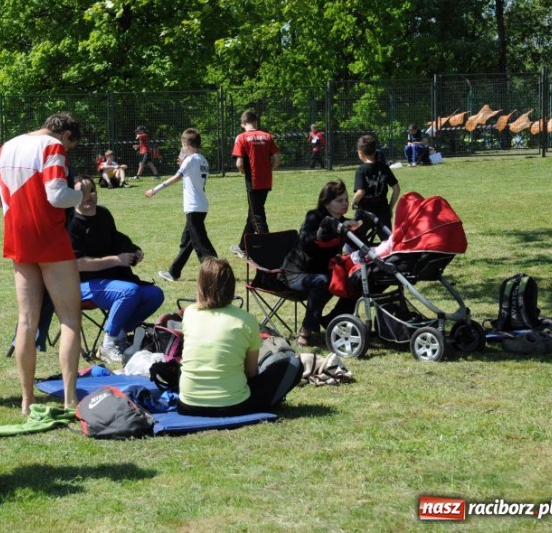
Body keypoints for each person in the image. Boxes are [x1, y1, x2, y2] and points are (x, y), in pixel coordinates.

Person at [0, 112, 93, 414]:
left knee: (26, 322)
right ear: (66, 135)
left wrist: (18, 208)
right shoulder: (53, 147)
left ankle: (27, 400)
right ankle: (70, 399)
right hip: (50, 239)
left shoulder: (8, 146)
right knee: (70, 319)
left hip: (17, 238)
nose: (67, 151)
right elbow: (57, 196)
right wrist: (81, 193)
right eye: (70, 146)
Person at [178, 258, 298, 416]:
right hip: (232, 405)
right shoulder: (246, 320)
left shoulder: (190, 313)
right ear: (231, 285)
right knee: (294, 364)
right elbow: (251, 373)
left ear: (200, 285)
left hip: (187, 404)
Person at [69, 174, 164, 363]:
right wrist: (116, 260)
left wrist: (133, 250)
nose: (87, 197)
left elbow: (116, 239)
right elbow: (78, 264)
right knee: (129, 291)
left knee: (155, 294)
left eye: (91, 191)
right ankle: (108, 344)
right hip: (80, 285)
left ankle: (119, 334)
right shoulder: (71, 222)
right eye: (82, 192)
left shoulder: (103, 214)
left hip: (110, 280)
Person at [281, 180, 360, 347]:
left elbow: (357, 246)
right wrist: (322, 233)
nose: (345, 204)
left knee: (357, 279)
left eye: (346, 199)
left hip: (323, 271)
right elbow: (305, 240)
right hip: (297, 273)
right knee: (323, 281)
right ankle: (306, 330)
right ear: (326, 202)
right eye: (339, 201)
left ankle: (333, 319)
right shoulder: (314, 217)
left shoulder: (345, 222)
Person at [146, 128, 217, 282]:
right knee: (187, 241)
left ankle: (215, 270)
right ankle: (174, 272)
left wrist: (155, 189)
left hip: (194, 206)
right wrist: (184, 163)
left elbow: (177, 177)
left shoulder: (190, 160)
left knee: (201, 243)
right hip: (201, 205)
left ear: (185, 144)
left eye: (182, 145)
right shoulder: (203, 160)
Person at [229, 110, 280, 258]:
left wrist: (243, 171)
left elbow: (239, 163)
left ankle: (269, 248)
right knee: (253, 212)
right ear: (256, 121)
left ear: (243, 123)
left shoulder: (242, 137)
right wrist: (267, 170)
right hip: (266, 180)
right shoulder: (267, 136)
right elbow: (277, 160)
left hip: (253, 181)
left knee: (257, 215)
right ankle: (243, 246)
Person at [352, 134, 400, 239]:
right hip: (382, 210)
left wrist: (353, 202)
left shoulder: (361, 170)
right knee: (387, 242)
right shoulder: (384, 167)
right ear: (375, 151)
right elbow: (396, 189)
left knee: (352, 242)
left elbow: (360, 192)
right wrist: (390, 207)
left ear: (360, 153)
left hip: (364, 212)